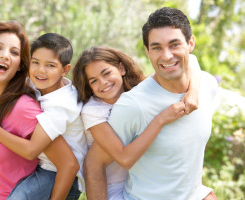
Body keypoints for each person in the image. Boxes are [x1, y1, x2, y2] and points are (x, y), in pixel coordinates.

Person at [85, 7, 218, 200]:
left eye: (174, 45)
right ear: (147, 51)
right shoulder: (133, 105)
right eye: (156, 48)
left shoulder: (207, 86)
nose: (166, 56)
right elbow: (94, 163)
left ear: (190, 43)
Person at [0, 21, 78, 199]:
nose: (5, 56)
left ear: (21, 65)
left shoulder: (24, 109)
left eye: (14, 52)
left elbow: (68, 164)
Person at [72, 45, 202, 200]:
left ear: (121, 68)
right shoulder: (93, 110)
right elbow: (124, 159)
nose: (103, 83)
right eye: (94, 81)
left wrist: (193, 91)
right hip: (112, 186)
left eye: (106, 73)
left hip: (144, 179)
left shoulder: (138, 93)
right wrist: (160, 119)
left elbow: (191, 59)